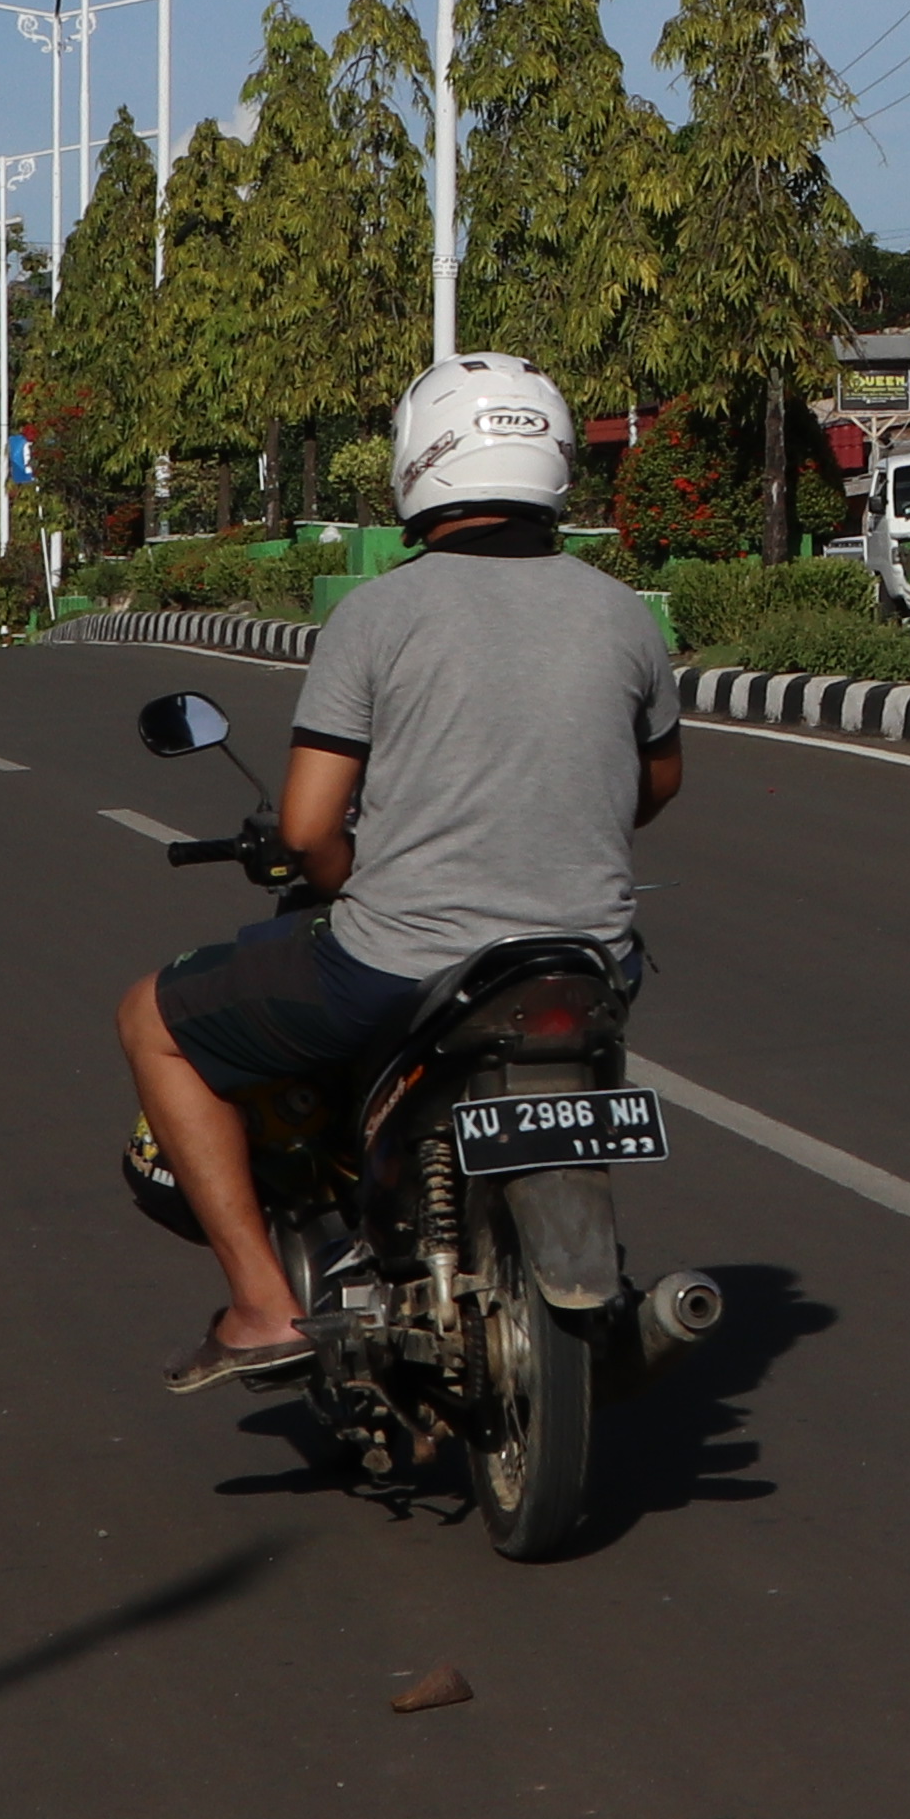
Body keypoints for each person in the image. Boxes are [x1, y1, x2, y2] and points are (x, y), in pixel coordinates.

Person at [115, 352, 684, 1392]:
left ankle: (258, 1305)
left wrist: (339, 875)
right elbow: (655, 783)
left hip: (401, 965)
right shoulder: (622, 614)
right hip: (589, 965)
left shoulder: (379, 614)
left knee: (151, 1014)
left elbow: (307, 822)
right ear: (554, 459)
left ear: (419, 462)